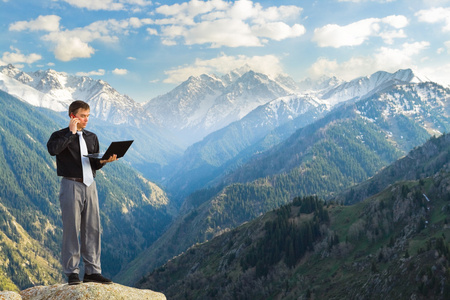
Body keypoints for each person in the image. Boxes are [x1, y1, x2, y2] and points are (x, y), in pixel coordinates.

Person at [47, 100, 117, 285]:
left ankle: (93, 272)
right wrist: (71, 133)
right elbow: (52, 150)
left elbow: (93, 164)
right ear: (73, 116)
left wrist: (104, 161)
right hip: (70, 185)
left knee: (93, 229)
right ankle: (72, 273)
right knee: (71, 228)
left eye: (88, 116)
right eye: (82, 116)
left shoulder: (91, 137)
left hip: (90, 185)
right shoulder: (59, 136)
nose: (86, 119)